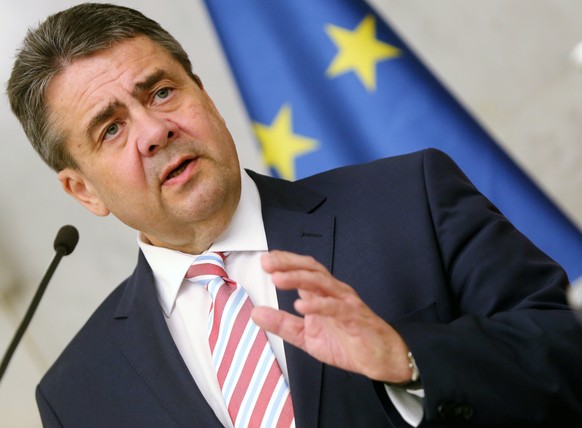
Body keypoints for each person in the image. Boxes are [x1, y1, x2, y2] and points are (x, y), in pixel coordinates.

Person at [7, 3, 582, 427]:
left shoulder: (411, 198)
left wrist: (410, 359)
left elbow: (566, 354)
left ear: (201, 93)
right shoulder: (76, 393)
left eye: (160, 92)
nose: (155, 131)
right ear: (84, 191)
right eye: (111, 128)